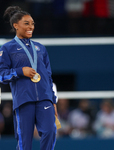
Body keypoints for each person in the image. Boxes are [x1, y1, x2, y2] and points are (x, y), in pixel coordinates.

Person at [0, 6, 57, 150]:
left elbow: (48, 76)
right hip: (24, 100)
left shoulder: (41, 48)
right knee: (25, 142)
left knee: (50, 131)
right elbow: (1, 75)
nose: (31, 26)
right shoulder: (7, 48)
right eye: (26, 23)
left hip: (45, 98)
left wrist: (53, 100)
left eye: (32, 23)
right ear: (15, 25)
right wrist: (20, 71)